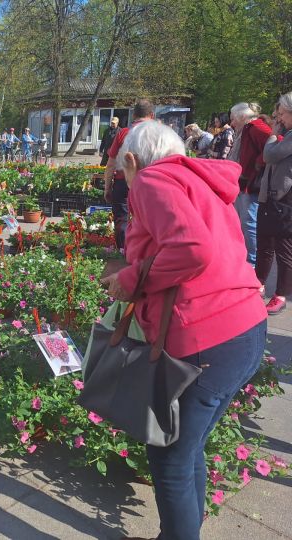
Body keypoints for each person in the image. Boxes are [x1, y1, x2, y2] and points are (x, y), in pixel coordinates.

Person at [103, 120, 266, 540]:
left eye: (123, 170)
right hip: (244, 327)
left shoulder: (152, 181)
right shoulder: (197, 179)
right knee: (187, 448)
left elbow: (192, 248)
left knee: (169, 458)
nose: (124, 179)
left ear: (134, 160)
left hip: (206, 335)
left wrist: (129, 279)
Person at [256, 93, 292, 314]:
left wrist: (273, 134)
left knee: (284, 250)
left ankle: (280, 294)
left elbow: (269, 155)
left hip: (284, 199)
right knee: (265, 244)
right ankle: (257, 284)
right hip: (272, 197)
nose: (278, 119)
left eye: (281, 114)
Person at [104, 99, 155, 249]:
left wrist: (107, 188)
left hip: (123, 181)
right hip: (150, 182)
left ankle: (123, 250)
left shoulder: (123, 133)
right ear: (151, 115)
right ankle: (145, 252)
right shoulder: (158, 134)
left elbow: (111, 163)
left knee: (122, 218)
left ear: (133, 115)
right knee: (148, 217)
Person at [229, 102, 273, 266]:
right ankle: (245, 258)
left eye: (233, 119)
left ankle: (252, 261)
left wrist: (258, 162)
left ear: (241, 117)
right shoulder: (248, 129)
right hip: (243, 182)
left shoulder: (255, 127)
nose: (232, 123)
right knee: (242, 222)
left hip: (250, 184)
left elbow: (276, 141)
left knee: (249, 223)